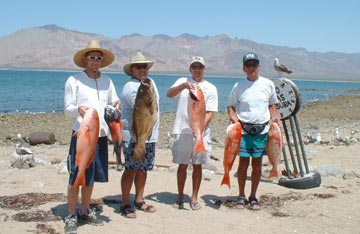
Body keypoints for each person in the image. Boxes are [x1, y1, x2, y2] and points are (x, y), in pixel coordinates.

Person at [64, 40, 120, 233]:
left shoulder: (108, 81)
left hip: (101, 136)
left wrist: (117, 106)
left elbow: (113, 101)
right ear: (85, 59)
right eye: (92, 58)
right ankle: (71, 214)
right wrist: (77, 109)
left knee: (91, 177)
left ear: (101, 61)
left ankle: (85, 210)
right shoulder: (74, 80)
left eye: (98, 58)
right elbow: (67, 109)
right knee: (76, 175)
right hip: (82, 135)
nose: (95, 61)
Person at [227, 52, 281, 210]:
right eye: (248, 65)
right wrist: (233, 117)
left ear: (259, 67)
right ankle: (241, 196)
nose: (252, 68)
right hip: (243, 130)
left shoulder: (268, 84)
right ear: (244, 68)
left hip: (262, 130)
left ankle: (253, 196)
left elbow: (272, 104)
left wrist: (276, 118)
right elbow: (231, 106)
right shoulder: (238, 86)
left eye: (254, 65)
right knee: (243, 164)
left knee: (257, 165)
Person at [167, 56, 218, 210]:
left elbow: (210, 112)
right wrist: (183, 86)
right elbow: (169, 94)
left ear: (204, 69)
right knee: (182, 165)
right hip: (182, 131)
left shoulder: (211, 88)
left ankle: (194, 197)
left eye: (200, 67)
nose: (197, 70)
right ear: (190, 69)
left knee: (197, 166)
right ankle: (180, 196)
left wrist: (199, 130)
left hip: (201, 133)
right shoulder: (182, 81)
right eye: (194, 67)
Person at [120, 52, 160, 218]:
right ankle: (124, 203)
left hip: (149, 135)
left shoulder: (150, 83)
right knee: (131, 169)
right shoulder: (130, 87)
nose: (142, 69)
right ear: (132, 69)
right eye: (138, 67)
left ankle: (139, 199)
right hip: (134, 137)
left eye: (144, 66)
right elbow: (140, 105)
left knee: (143, 169)